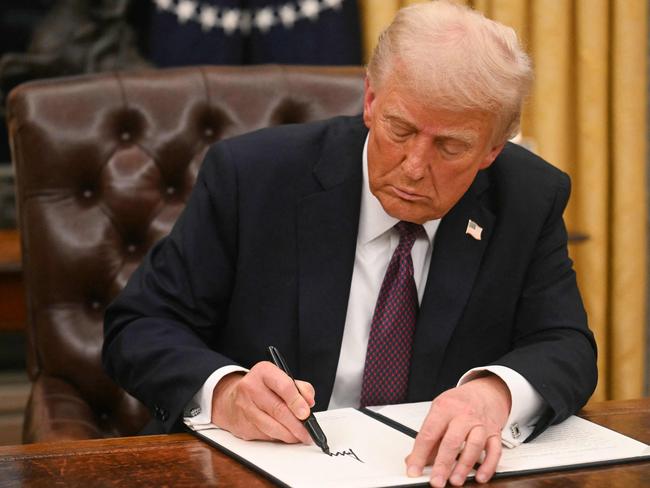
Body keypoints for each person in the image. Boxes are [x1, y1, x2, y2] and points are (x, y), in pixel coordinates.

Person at [103, 1, 597, 486]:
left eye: (450, 146)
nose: (414, 166)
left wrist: (494, 395)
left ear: (494, 147)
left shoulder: (527, 198)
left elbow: (565, 344)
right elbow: (140, 325)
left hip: (428, 475)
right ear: (370, 99)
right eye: (399, 129)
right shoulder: (253, 179)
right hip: (261, 471)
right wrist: (226, 391)